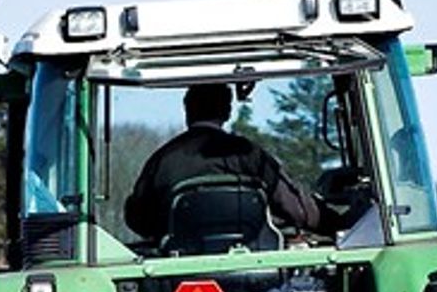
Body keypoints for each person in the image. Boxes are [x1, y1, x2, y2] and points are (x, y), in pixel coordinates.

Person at [123, 83, 338, 243]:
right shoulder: (249, 155)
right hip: (255, 268)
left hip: (179, 271)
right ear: (227, 112)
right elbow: (296, 209)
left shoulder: (162, 161)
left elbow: (138, 219)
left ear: (187, 110)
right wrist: (336, 222)